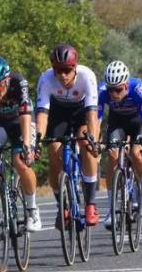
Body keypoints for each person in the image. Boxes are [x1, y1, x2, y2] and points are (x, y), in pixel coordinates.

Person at [36, 44, 101, 227]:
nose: (62, 75)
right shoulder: (46, 79)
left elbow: (92, 113)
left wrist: (93, 140)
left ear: (75, 68)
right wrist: (38, 141)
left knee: (87, 145)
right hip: (58, 113)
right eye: (58, 70)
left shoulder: (87, 77)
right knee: (54, 153)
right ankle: (61, 206)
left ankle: (90, 204)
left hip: (81, 112)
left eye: (66, 70)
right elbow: (42, 114)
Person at [0, 57, 41, 233]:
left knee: (20, 160)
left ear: (6, 81)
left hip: (20, 121)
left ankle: (32, 210)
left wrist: (27, 146)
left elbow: (25, 114)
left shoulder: (19, 83)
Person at [98, 60, 142, 224]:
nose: (114, 94)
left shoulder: (139, 89)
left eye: (118, 89)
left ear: (126, 85)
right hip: (117, 122)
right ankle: (111, 209)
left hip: (137, 122)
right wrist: (95, 140)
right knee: (112, 156)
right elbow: (97, 120)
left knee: (137, 154)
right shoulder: (102, 91)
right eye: (111, 90)